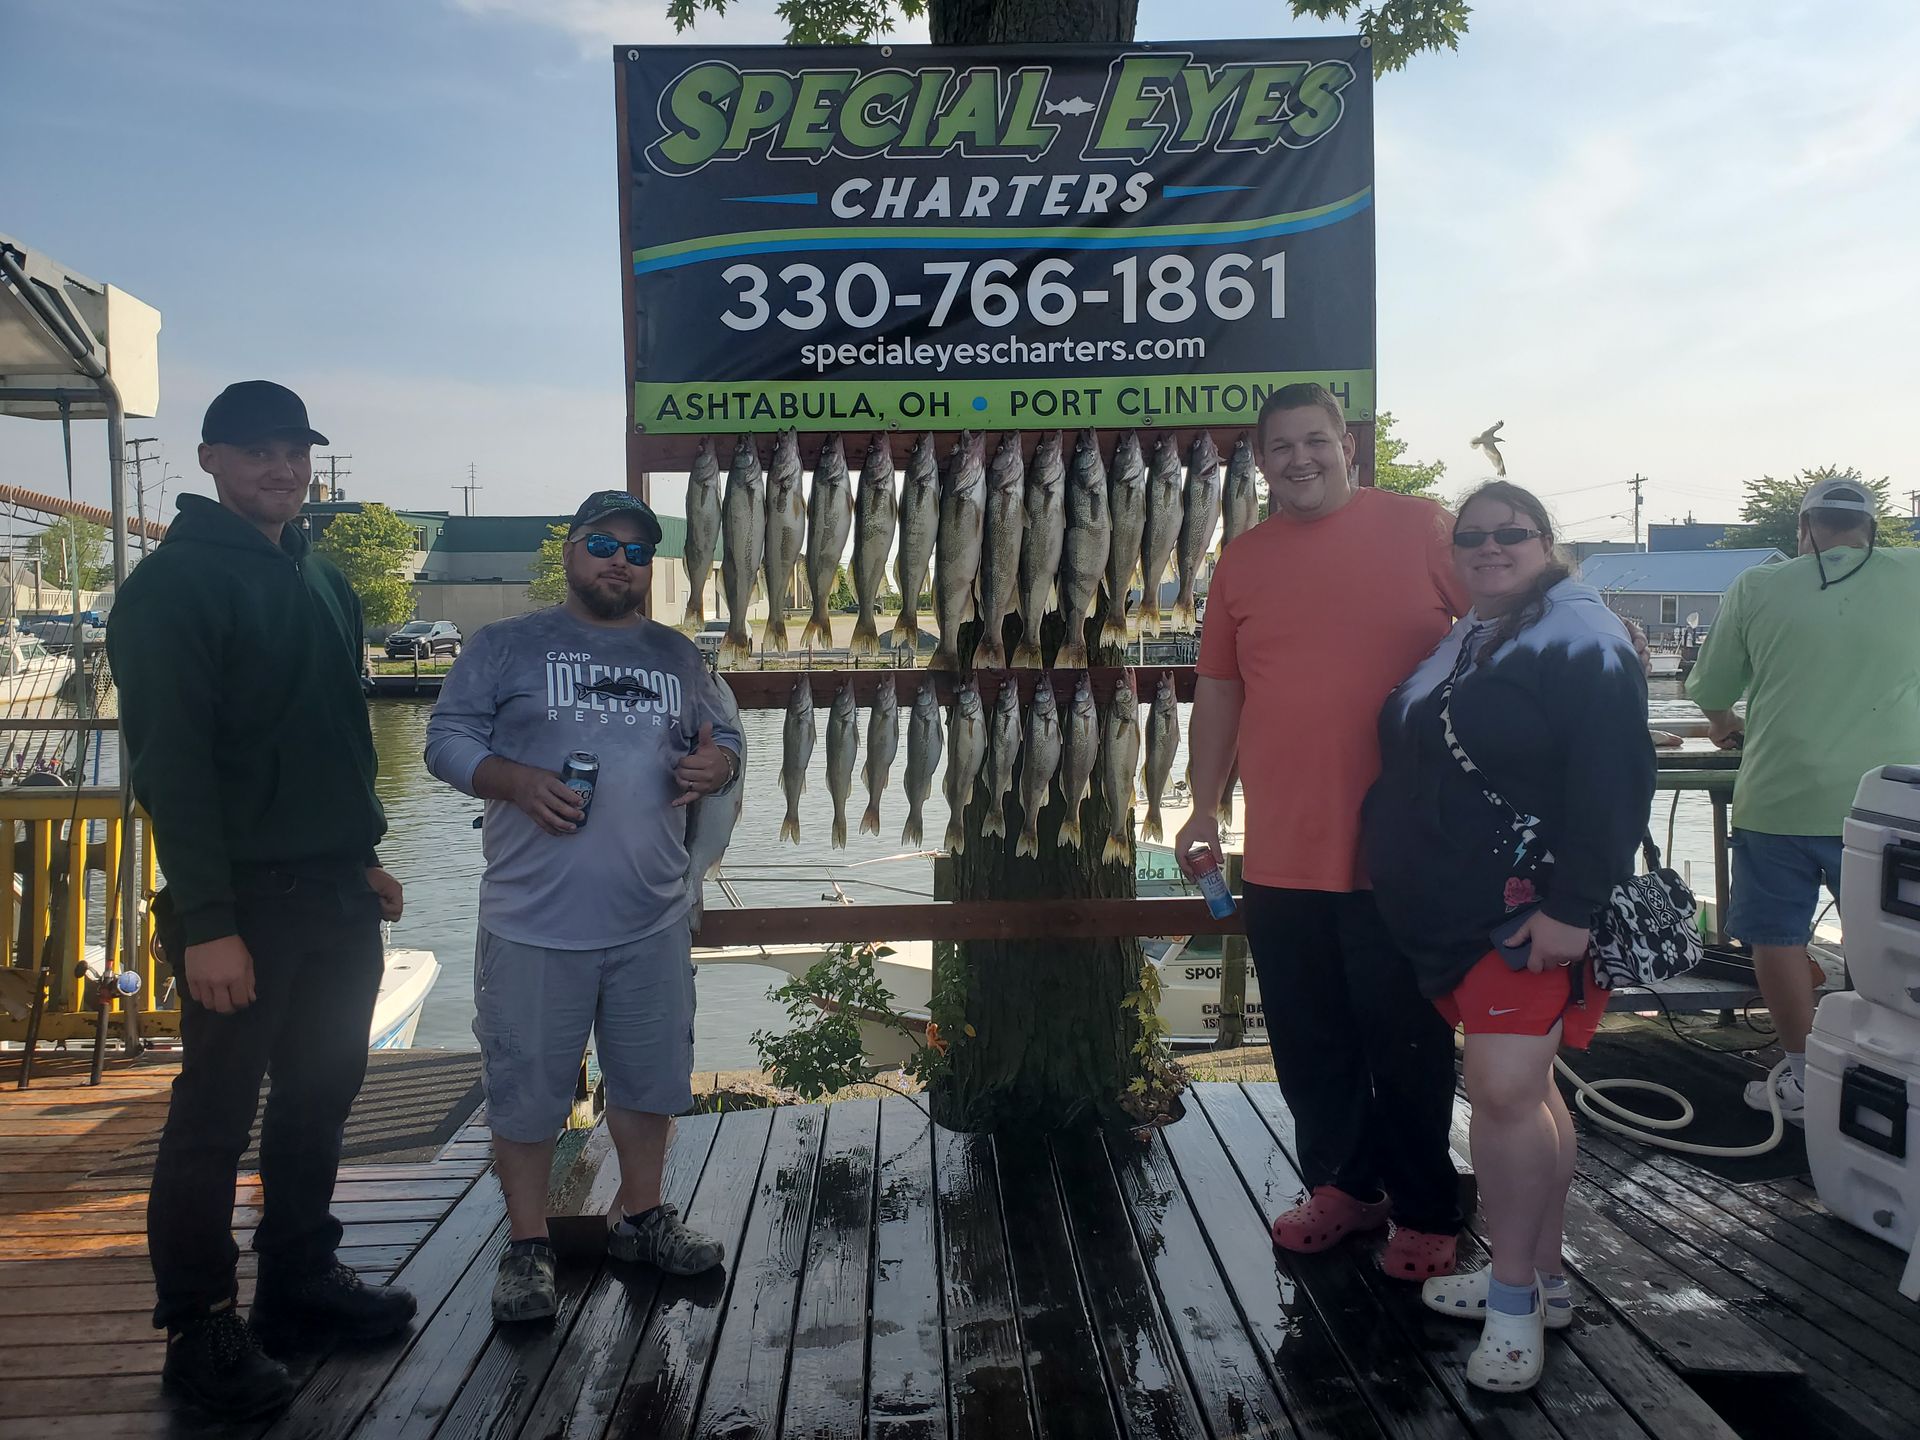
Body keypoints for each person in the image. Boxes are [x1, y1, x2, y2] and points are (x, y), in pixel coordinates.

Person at [107, 381, 416, 1420]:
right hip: (242, 907)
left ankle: (296, 1282)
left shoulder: (325, 578)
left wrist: (363, 852)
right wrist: (207, 923)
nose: (281, 469)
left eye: (294, 451)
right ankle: (198, 1330)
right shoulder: (172, 586)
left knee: (322, 1096)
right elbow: (171, 767)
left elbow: (335, 732)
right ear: (207, 461)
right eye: (256, 452)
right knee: (212, 1120)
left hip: (335, 894)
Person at [424, 490, 743, 1324]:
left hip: (653, 915)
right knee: (527, 1091)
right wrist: (514, 781)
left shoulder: (680, 657)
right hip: (533, 922)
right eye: (604, 544)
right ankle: (527, 1246)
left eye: (638, 552)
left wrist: (723, 768)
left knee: (649, 1083)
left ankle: (642, 1218)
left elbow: (728, 741)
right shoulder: (505, 645)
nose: (620, 562)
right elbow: (447, 739)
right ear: (571, 550)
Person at [1365, 482, 1653, 1392]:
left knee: (1498, 1095)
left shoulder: (1583, 636)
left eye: (1511, 535)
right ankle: (1546, 1274)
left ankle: (1517, 1301)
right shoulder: (1477, 633)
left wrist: (1573, 906)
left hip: (1526, 913)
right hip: (1455, 914)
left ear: (1547, 541)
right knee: (1529, 1096)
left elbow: (1617, 777)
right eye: (1473, 537)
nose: (1490, 548)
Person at [1176, 384, 1468, 1278]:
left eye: (1317, 440)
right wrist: (1200, 801)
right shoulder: (1242, 559)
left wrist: (1591, 628)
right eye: (1280, 447)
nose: (1300, 458)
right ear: (1259, 463)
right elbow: (1221, 690)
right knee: (1309, 1036)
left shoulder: (1426, 527)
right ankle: (1344, 1186)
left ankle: (1427, 1205)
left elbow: (1513, 619)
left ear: (1348, 445)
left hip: (1406, 846)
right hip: (1282, 848)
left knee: (1408, 1038)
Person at [1686, 476, 1920, 1120]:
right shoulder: (1914, 574)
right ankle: (1896, 1071)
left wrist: (1723, 724)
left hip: (1779, 795)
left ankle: (1802, 1077)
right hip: (1892, 804)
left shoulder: (1761, 585)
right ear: (1871, 529)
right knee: (1895, 944)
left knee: (1777, 940)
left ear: (1804, 529)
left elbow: (1711, 688)